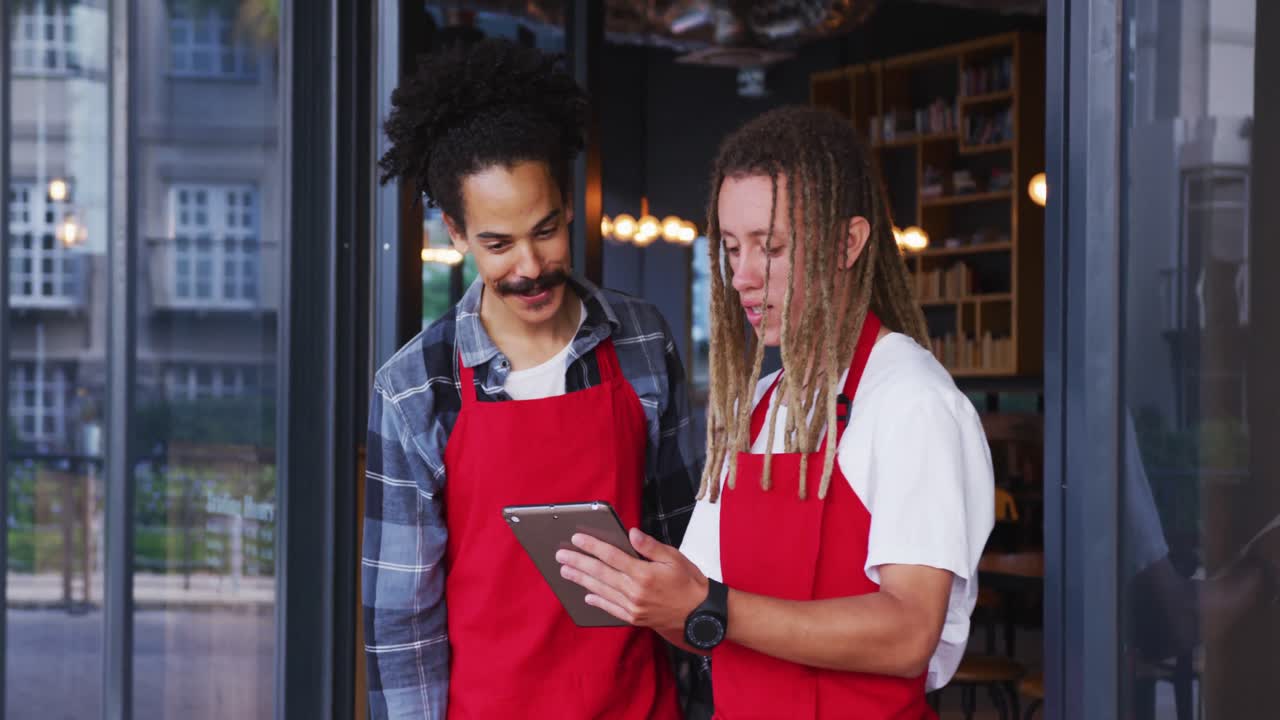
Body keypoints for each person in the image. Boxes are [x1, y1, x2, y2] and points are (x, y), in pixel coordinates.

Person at [558, 105, 996, 718]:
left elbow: (907, 633)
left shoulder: (912, 401)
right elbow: (700, 620)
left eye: (773, 248)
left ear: (848, 242)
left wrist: (709, 605)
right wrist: (646, 592)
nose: (742, 277)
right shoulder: (760, 407)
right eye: (732, 250)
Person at [362, 38, 699, 719]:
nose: (529, 266)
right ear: (456, 232)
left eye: (545, 231)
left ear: (569, 205)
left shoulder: (640, 339)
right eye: (498, 243)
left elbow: (687, 548)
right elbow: (403, 629)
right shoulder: (414, 389)